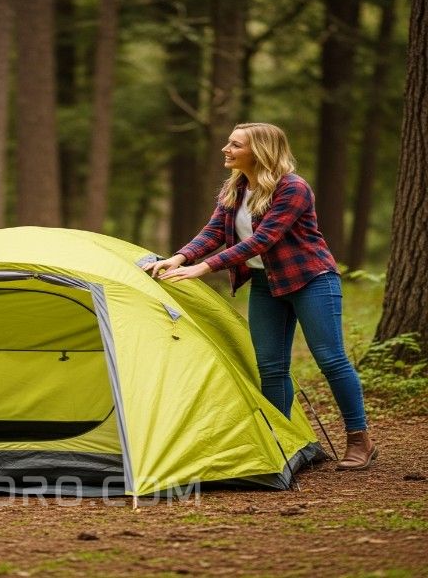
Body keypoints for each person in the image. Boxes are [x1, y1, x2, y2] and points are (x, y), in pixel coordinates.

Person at [142, 122, 377, 471]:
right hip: (265, 284)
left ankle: (359, 440)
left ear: (260, 152)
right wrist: (179, 258)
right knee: (270, 366)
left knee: (330, 360)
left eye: (235, 145)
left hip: (311, 279)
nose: (226, 149)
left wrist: (204, 267)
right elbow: (213, 232)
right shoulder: (236, 188)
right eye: (229, 142)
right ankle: (280, 440)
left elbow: (263, 239)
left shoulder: (293, 188)